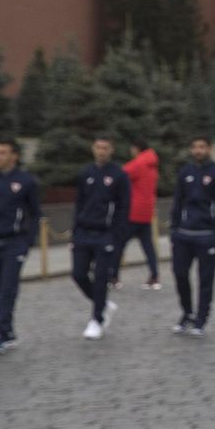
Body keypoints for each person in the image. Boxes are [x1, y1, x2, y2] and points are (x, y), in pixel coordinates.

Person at [0, 138, 41, 354]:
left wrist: (28, 241)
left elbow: (35, 213)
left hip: (14, 243)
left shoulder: (26, 181)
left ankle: (0, 334)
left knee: (7, 290)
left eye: (3, 153)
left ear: (14, 156)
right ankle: (8, 330)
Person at [71, 136, 130, 340]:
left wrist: (117, 236)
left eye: (105, 148)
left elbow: (123, 207)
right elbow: (79, 203)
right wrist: (75, 229)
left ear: (111, 149)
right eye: (98, 147)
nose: (101, 151)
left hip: (106, 234)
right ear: (92, 148)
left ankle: (97, 319)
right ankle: (103, 304)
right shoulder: (86, 173)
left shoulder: (119, 175)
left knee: (101, 277)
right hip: (84, 232)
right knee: (78, 274)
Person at [169, 135, 215, 337]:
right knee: (180, 274)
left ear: (209, 149)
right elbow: (178, 201)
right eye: (195, 147)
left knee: (205, 279)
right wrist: (174, 228)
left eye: (202, 147)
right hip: (183, 234)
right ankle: (187, 312)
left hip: (206, 235)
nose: (198, 150)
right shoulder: (186, 172)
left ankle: (201, 318)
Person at [119, 140, 161, 289]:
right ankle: (155, 276)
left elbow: (120, 176)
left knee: (119, 243)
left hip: (133, 211)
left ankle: (113, 276)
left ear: (136, 149)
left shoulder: (138, 164)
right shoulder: (152, 164)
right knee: (148, 246)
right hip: (146, 211)